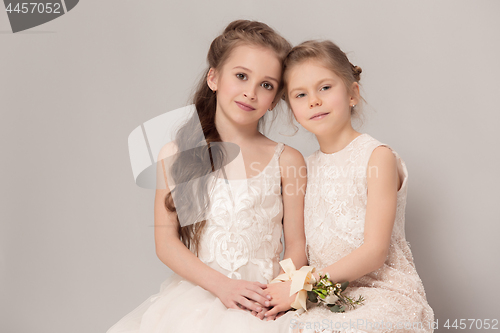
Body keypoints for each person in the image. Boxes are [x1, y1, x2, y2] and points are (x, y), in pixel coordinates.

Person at [106, 20, 307, 333]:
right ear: (214, 77)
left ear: (275, 98)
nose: (250, 93)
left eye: (266, 85)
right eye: (241, 76)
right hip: (201, 296)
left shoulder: (287, 160)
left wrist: (282, 291)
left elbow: (296, 245)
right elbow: (166, 243)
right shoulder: (176, 153)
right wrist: (223, 287)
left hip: (264, 301)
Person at [263, 40, 434, 332]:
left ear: (352, 93)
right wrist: (275, 292)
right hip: (322, 297)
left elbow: (374, 251)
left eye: (325, 88)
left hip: (383, 293)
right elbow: (299, 249)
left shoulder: (377, 157)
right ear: (292, 109)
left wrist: (302, 285)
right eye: (301, 94)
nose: (314, 100)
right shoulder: (303, 167)